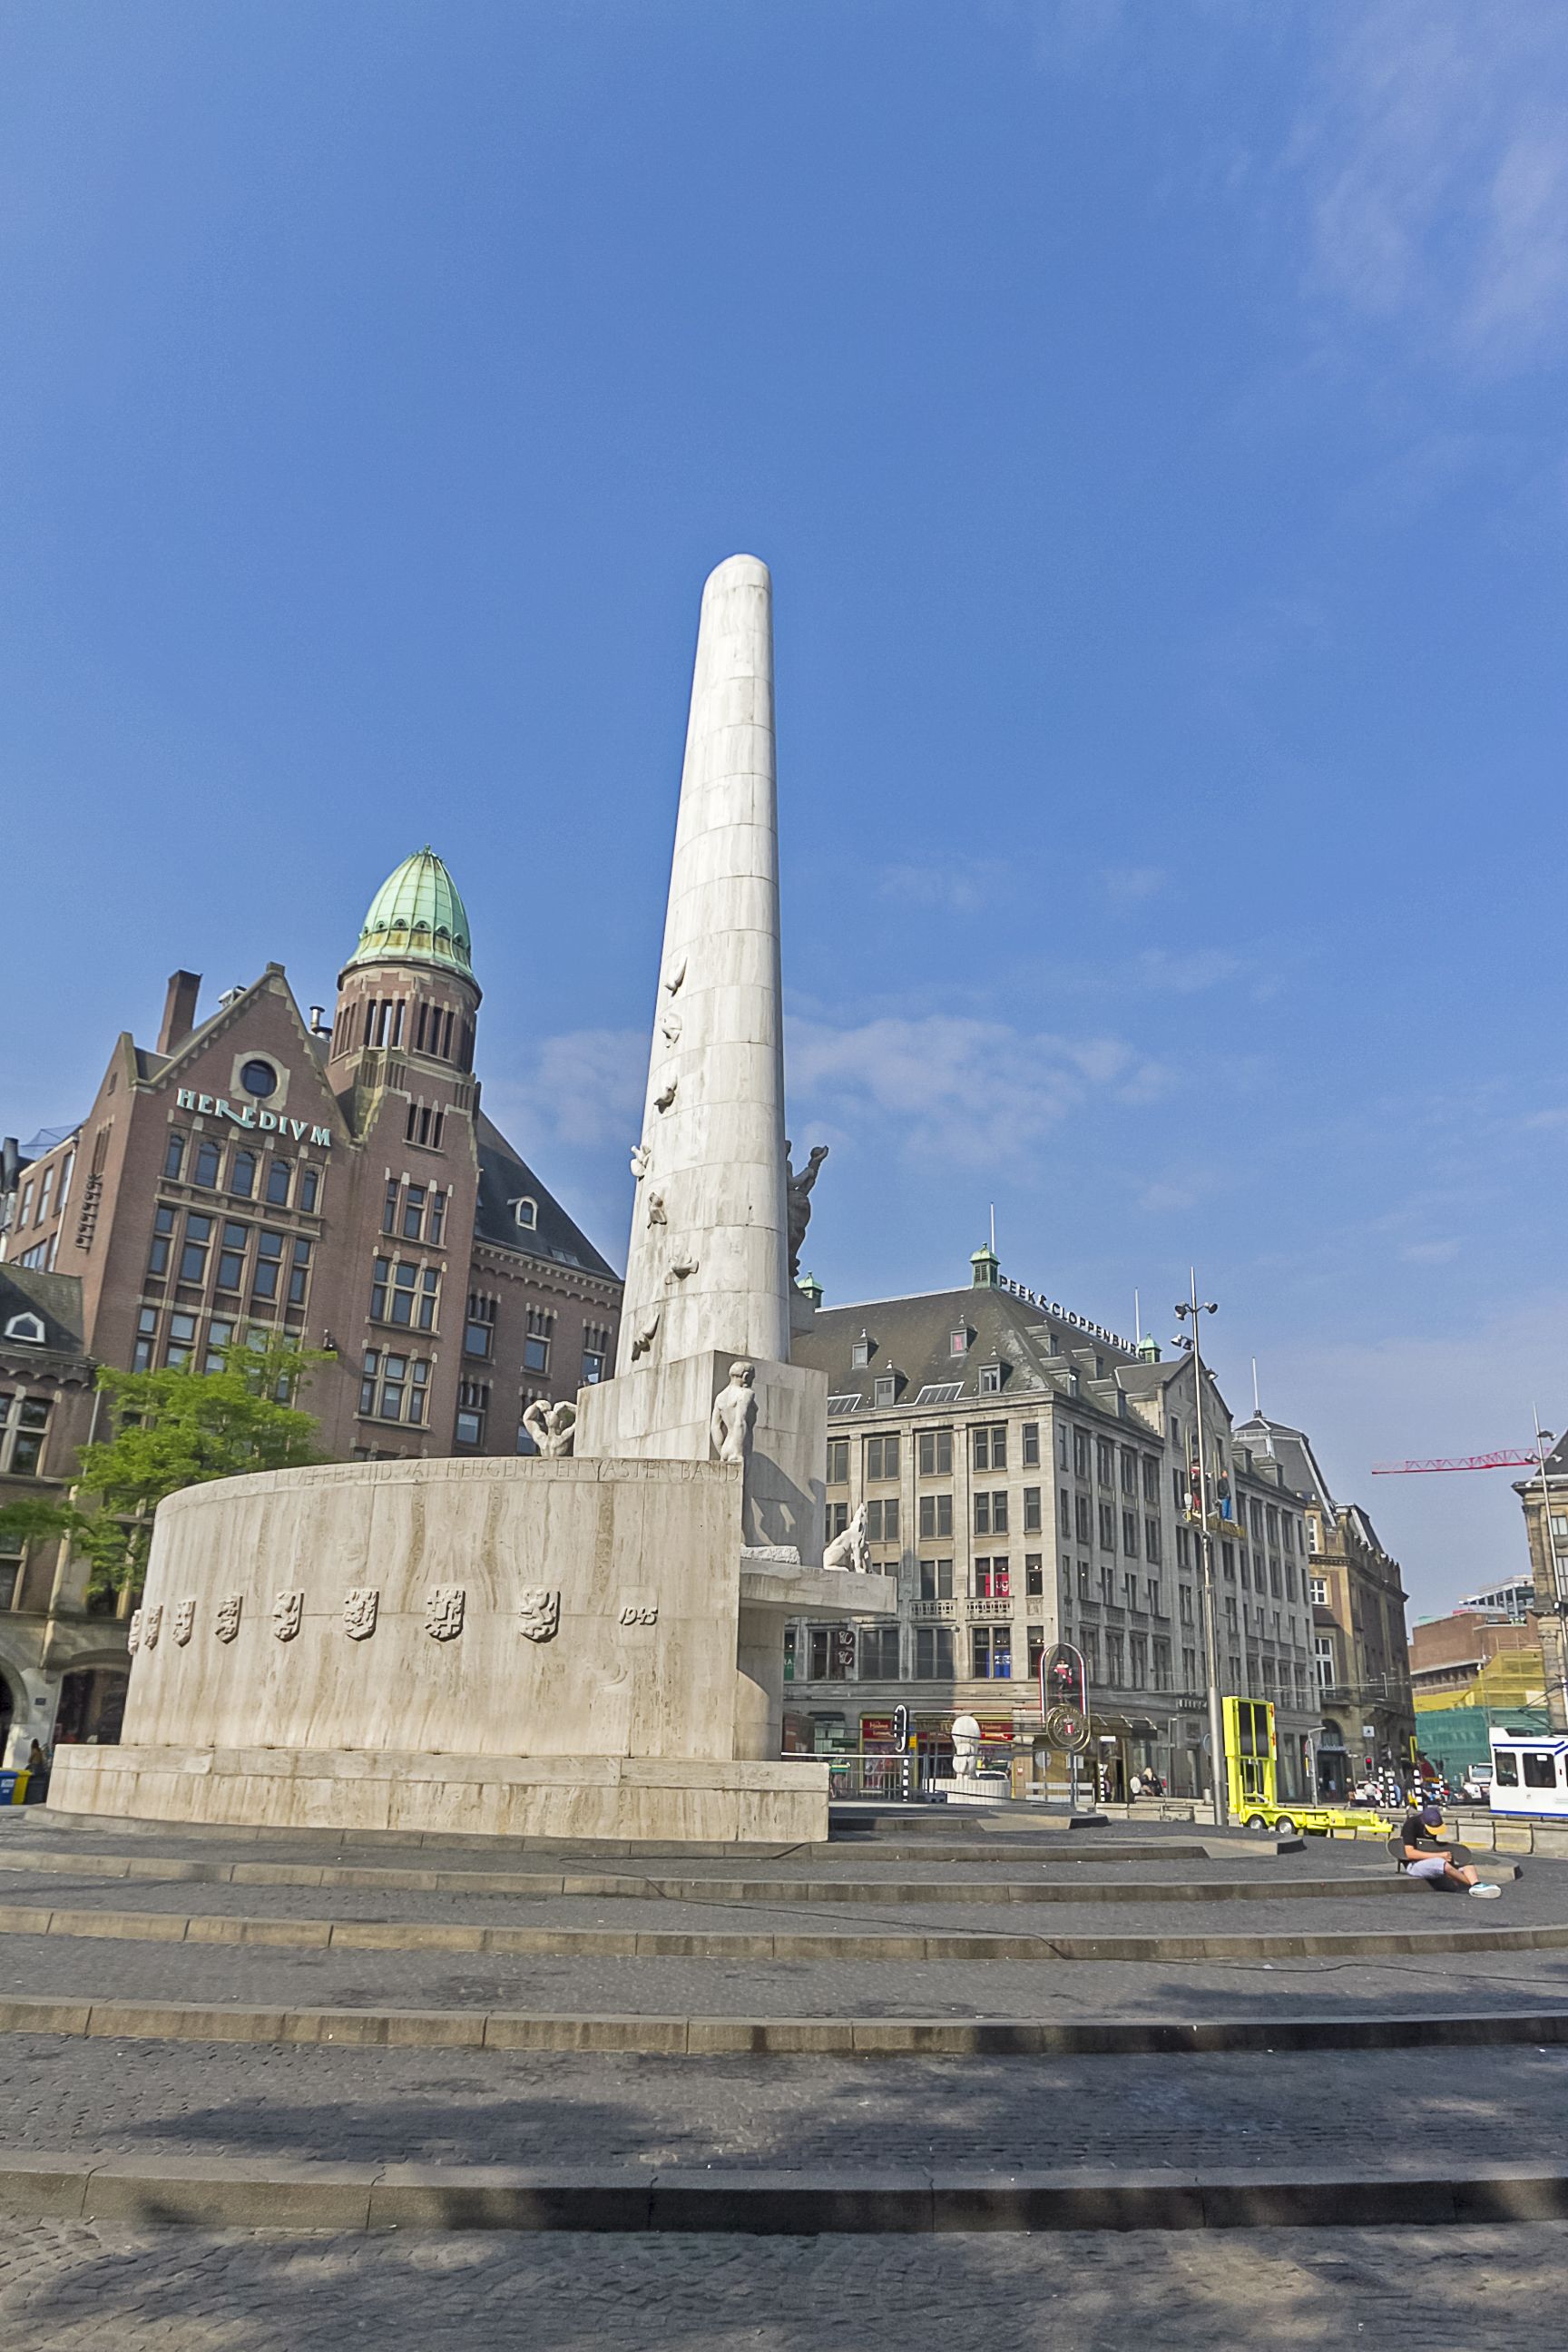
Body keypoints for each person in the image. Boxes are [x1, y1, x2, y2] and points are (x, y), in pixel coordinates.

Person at [1400, 1800, 1501, 1897]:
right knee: (1441, 1863)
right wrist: (1439, 1855)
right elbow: (1410, 1853)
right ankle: (1474, 1886)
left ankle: (1476, 1883)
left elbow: (1431, 1846)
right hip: (1413, 1865)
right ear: (1424, 1823)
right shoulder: (1411, 1825)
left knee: (1465, 1862)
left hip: (1430, 1859)